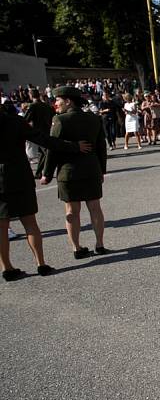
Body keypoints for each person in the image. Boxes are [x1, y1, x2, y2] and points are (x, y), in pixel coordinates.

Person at [1, 109, 91, 281]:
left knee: (1, 227)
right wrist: (74, 146)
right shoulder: (15, 121)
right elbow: (45, 140)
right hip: (19, 176)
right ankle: (40, 263)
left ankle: (7, 268)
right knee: (30, 223)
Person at [41, 86, 108, 259]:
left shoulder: (60, 120)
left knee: (72, 211)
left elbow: (52, 148)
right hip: (91, 169)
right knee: (95, 208)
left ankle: (77, 248)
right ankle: (99, 244)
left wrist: (47, 174)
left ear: (68, 101)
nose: (56, 104)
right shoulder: (93, 118)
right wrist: (102, 169)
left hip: (68, 172)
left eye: (58, 100)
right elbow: (101, 147)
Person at [23, 88, 55, 176]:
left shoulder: (33, 106)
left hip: (38, 132)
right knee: (42, 153)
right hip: (47, 131)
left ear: (31, 95)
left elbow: (26, 119)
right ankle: (38, 173)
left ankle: (48, 172)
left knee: (47, 152)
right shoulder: (46, 105)